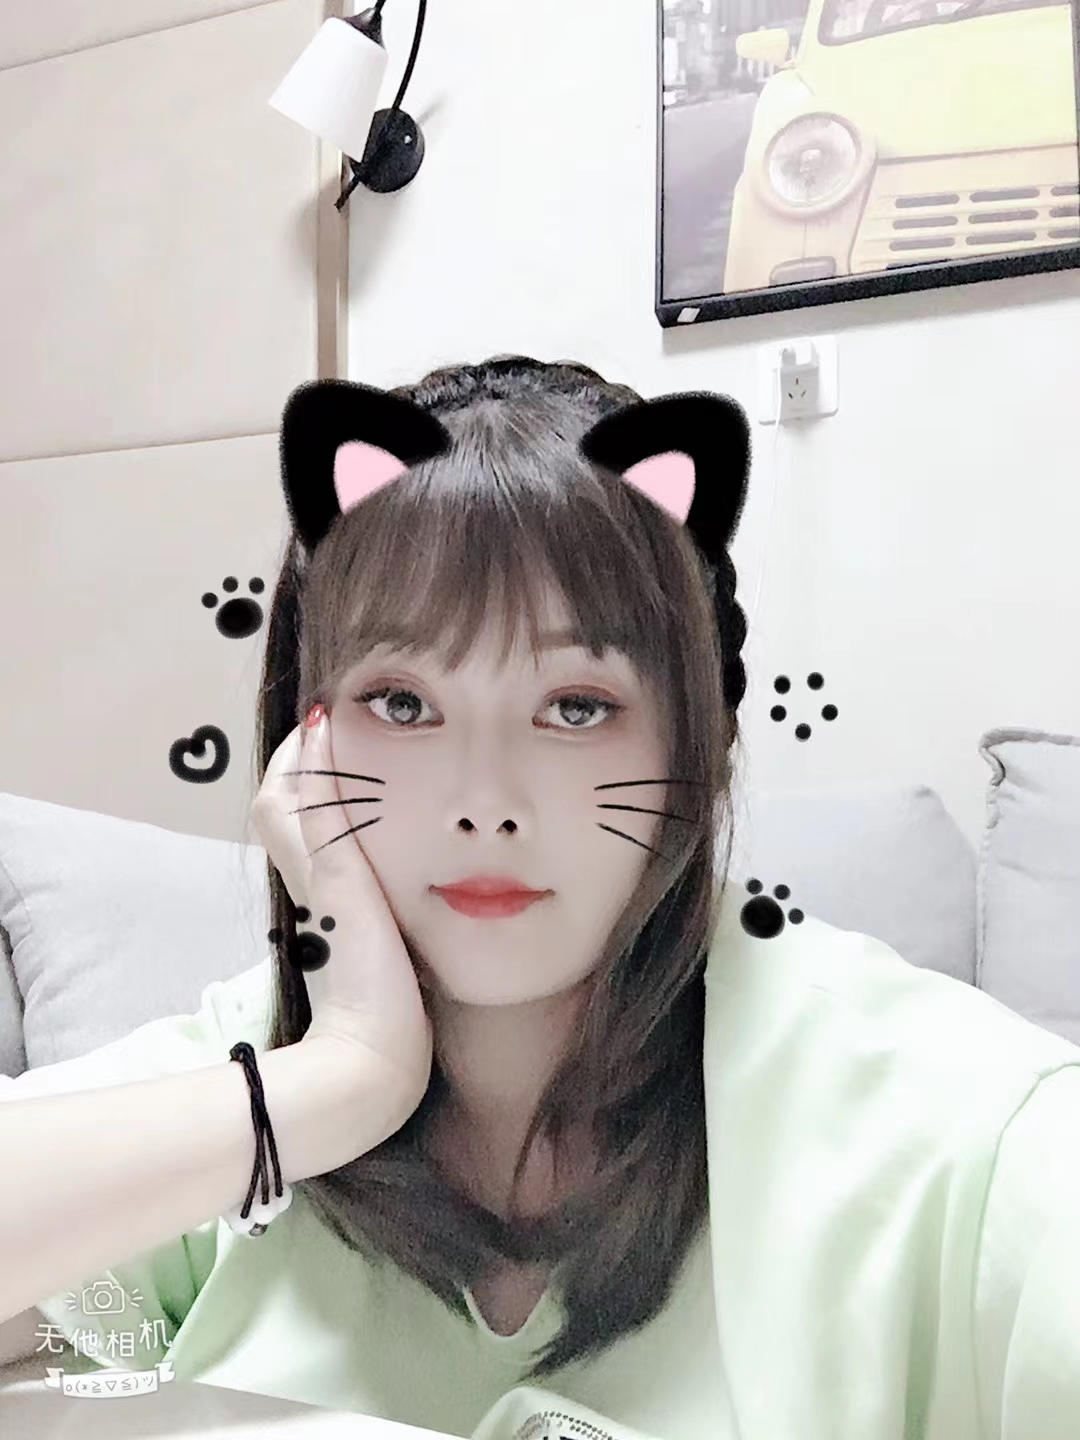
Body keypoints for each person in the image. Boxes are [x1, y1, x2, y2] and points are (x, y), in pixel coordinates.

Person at [2, 355, 1080, 1440]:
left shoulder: (953, 1133)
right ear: (305, 736)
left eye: (575, 707)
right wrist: (344, 1078)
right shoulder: (256, 1076)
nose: (486, 801)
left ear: (696, 740)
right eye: (402, 702)